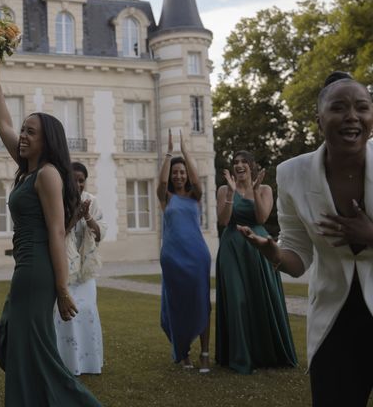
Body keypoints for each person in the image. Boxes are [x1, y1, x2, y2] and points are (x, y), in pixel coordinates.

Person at [238, 72, 373, 406]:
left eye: (362, 107)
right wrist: (274, 252)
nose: (352, 116)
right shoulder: (292, 173)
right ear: (319, 119)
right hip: (334, 319)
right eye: (339, 107)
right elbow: (298, 256)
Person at [0, 55, 102, 406]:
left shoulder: (48, 174)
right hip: (24, 268)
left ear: (46, 139)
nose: (22, 136)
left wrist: (62, 288)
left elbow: (56, 232)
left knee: (33, 349)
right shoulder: (27, 168)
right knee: (16, 341)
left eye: (30, 132)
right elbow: (3, 122)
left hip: (38, 271)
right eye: (23, 130)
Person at [215, 149, 297, 374]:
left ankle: (265, 354)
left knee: (261, 297)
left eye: (243, 162)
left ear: (252, 166)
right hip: (232, 245)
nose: (239, 165)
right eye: (235, 162)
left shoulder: (266, 189)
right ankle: (240, 356)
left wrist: (255, 190)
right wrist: (231, 194)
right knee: (237, 298)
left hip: (258, 246)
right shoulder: (223, 189)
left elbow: (261, 217)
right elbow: (223, 220)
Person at [156, 129, 211, 373]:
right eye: (175, 173)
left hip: (197, 256)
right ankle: (185, 353)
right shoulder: (165, 197)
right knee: (178, 304)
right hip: (172, 258)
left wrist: (186, 151)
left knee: (201, 302)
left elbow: (198, 181)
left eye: (182, 172)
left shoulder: (194, 195)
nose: (178, 176)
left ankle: (205, 354)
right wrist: (169, 153)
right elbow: (161, 182)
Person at [53, 161, 107, 376]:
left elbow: (100, 234)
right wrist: (74, 216)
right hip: (64, 267)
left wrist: (87, 217)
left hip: (86, 269)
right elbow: (56, 236)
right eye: (74, 180)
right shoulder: (58, 200)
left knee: (87, 312)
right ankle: (66, 364)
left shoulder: (91, 201)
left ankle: (87, 364)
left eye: (81, 180)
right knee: (63, 315)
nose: (78, 184)